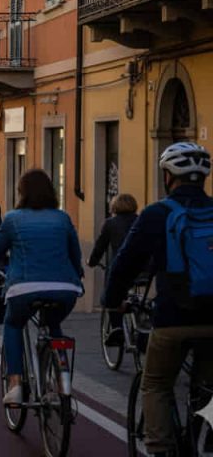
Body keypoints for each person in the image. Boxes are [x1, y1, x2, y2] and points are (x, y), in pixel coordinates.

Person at [103, 142, 213, 457]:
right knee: (208, 385)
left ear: (168, 176)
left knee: (156, 384)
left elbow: (125, 264)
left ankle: (161, 449)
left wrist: (113, 301)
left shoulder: (157, 213)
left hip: (174, 319)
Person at [0, 169, 83, 406]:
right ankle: (60, 381)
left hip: (24, 289)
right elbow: (75, 254)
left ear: (22, 193)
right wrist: (77, 276)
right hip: (65, 290)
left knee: (13, 324)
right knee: (52, 323)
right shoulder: (63, 218)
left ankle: (15, 384)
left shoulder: (13, 219)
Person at [87, 193, 139, 347]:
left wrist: (92, 261)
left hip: (121, 267)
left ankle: (116, 328)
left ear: (114, 207)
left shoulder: (110, 223)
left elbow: (100, 247)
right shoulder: (140, 220)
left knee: (110, 295)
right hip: (143, 268)